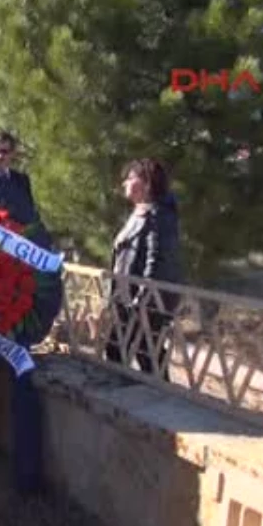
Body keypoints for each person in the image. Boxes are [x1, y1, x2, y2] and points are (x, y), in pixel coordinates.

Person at [105, 158, 183, 380]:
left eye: (130, 178)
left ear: (146, 183)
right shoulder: (139, 212)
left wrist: (143, 300)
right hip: (126, 297)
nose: (124, 183)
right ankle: (149, 397)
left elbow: (156, 260)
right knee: (141, 352)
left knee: (141, 352)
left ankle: (158, 402)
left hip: (144, 301)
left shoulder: (160, 216)